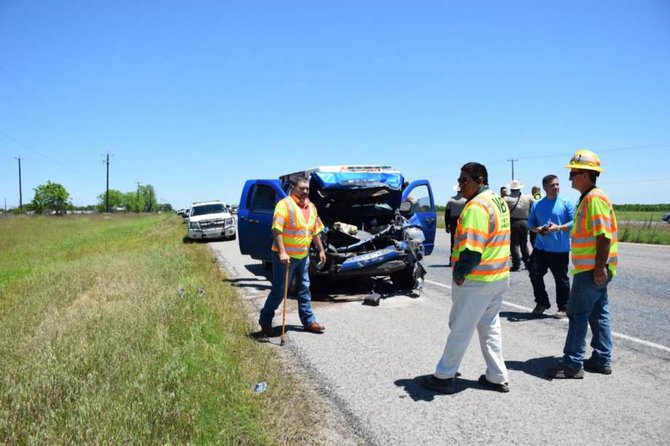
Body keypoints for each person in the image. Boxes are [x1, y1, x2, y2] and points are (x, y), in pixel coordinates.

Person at [422, 162, 511, 394]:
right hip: (498, 276)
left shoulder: (476, 207)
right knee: (490, 326)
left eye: (464, 180)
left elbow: (472, 250)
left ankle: (444, 375)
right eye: (460, 180)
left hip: (477, 279)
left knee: (460, 327)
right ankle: (496, 375)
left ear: (479, 180)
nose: (460, 186)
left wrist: (460, 273)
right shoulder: (497, 201)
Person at [547, 149, 618, 379]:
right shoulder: (588, 197)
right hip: (593, 268)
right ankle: (601, 358)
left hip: (591, 270)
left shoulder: (594, 199)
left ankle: (573, 363)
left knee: (577, 314)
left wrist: (599, 267)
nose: (570, 178)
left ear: (586, 175)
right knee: (599, 314)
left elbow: (603, 236)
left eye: (574, 173)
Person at [259, 177, 327, 337]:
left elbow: (315, 230)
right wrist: (282, 252)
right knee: (279, 292)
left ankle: (309, 321)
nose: (305, 191)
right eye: (302, 188)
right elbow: (277, 230)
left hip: (303, 256)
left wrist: (321, 249)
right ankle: (265, 320)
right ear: (293, 188)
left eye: (307, 189)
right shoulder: (284, 205)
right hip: (284, 258)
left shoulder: (311, 207)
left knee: (304, 288)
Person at [528, 174, 576, 318]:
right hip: (541, 248)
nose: (556, 187)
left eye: (557, 184)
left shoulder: (566, 203)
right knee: (534, 273)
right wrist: (539, 229)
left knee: (560, 279)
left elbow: (575, 222)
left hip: (559, 249)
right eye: (552, 185)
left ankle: (563, 307)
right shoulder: (537, 204)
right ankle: (542, 302)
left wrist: (558, 228)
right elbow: (531, 224)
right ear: (544, 188)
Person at [504, 180, 534, 271]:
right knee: (524, 244)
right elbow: (536, 204)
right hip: (525, 222)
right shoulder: (527, 197)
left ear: (511, 188)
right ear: (520, 188)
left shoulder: (507, 199)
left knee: (514, 245)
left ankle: (516, 265)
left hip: (513, 222)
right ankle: (528, 263)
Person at [444, 185, 466, 267]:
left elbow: (447, 215)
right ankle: (462, 260)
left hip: (453, 222)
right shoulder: (466, 200)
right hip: (463, 221)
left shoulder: (450, 200)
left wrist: (447, 226)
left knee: (453, 242)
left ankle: (452, 260)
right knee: (463, 241)